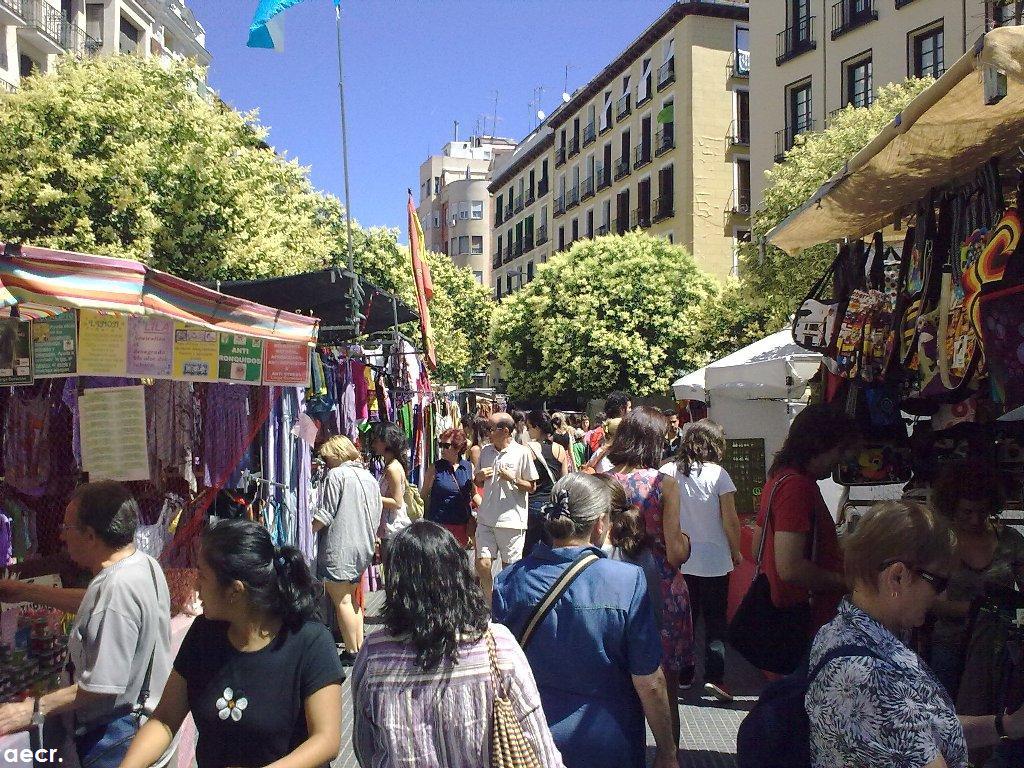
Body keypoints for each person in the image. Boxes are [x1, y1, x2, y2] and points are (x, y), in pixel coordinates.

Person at [807, 500, 1024, 768]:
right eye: (940, 582)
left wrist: (1007, 725)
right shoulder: (871, 675)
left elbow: (926, 728)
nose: (942, 596)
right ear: (896, 577)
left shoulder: (842, 632)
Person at [120, 519, 344, 768]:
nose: (195, 586)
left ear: (235, 591)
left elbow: (326, 740)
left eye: (203, 577)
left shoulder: (310, 642)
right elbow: (164, 720)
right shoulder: (203, 635)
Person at [493, 474, 678, 768]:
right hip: (608, 741)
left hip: (531, 741)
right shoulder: (626, 581)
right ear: (600, 524)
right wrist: (667, 750)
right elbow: (650, 681)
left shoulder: (509, 581)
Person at [353, 521, 565, 767]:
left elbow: (365, 747)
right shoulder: (497, 645)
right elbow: (540, 747)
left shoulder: (374, 654)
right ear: (460, 575)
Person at [0, 482, 171, 768]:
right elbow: (99, 604)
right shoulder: (141, 564)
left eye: (67, 528)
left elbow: (102, 685)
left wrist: (31, 709)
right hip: (139, 728)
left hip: (119, 739)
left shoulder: (117, 589)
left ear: (90, 536)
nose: (61, 537)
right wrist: (25, 591)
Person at [607, 406, 692, 745]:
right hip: (661, 589)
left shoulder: (603, 481)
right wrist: (687, 542)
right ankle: (668, 753)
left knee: (619, 681)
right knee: (666, 684)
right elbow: (676, 551)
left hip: (613, 584)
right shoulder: (664, 484)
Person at [753, 404, 854, 645]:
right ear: (820, 445)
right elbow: (790, 567)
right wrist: (845, 581)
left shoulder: (780, 478)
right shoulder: (796, 487)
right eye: (838, 451)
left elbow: (756, 549)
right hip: (805, 618)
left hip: (792, 615)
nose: (839, 461)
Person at [927, 460, 1024, 701]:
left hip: (998, 648)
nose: (975, 519)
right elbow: (929, 601)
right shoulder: (939, 541)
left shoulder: (1011, 539)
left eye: (982, 512)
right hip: (949, 647)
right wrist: (980, 611)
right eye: (967, 512)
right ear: (951, 507)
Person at [659, 419, 741, 700]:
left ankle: (684, 672)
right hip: (715, 558)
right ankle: (715, 677)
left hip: (679, 555)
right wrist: (737, 550)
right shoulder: (719, 475)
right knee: (716, 620)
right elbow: (730, 519)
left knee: (685, 618)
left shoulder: (668, 470)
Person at [311, 435, 382, 663]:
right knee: (352, 599)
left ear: (336, 454)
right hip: (363, 545)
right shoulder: (369, 477)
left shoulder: (336, 475)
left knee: (342, 599)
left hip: (340, 547)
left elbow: (325, 513)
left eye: (328, 457)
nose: (325, 462)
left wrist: (305, 529)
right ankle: (358, 645)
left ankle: (353, 651)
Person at [474, 411, 539, 608]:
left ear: (505, 431)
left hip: (512, 520)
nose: (487, 433)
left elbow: (532, 486)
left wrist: (512, 479)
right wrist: (479, 477)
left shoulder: (522, 452)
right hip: (486, 517)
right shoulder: (485, 451)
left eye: (490, 429)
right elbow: (477, 481)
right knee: (483, 564)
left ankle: (506, 606)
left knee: (508, 569)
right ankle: (489, 603)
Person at [524, 410, 570, 557]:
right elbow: (564, 479)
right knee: (551, 546)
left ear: (537, 427)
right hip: (552, 505)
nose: (527, 430)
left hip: (532, 503)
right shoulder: (560, 449)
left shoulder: (528, 450)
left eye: (529, 427)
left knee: (529, 547)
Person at [421, 428, 476, 547]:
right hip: (439, 525)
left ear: (458, 447)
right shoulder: (434, 468)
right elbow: (424, 496)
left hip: (461, 525)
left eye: (446, 445)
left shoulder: (468, 467)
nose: (442, 449)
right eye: (440, 445)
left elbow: (474, 494)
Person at [370, 422, 411, 546]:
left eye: (376, 441)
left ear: (386, 442)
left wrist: (371, 497)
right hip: (390, 528)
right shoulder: (391, 465)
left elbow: (397, 502)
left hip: (393, 529)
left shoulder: (392, 469)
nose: (373, 445)